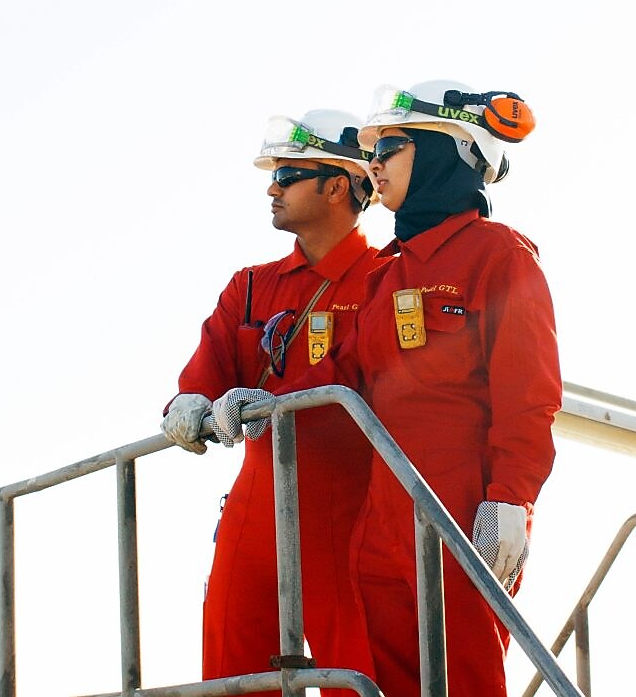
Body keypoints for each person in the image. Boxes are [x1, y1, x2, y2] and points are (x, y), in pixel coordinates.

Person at [211, 80, 560, 697]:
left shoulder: (499, 257)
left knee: (464, 679)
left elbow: (528, 394)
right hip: (381, 518)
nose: (374, 163)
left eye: (391, 146)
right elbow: (343, 374)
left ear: (445, 149)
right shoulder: (386, 275)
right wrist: (270, 401)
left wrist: (511, 499)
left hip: (459, 506)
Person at [160, 109, 387, 695]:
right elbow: (204, 372)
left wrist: (274, 402)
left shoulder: (387, 280)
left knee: (359, 675)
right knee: (232, 678)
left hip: (348, 512)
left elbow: (387, 390)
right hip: (253, 511)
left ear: (336, 185)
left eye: (287, 175)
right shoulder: (251, 286)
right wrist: (189, 405)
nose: (271, 187)